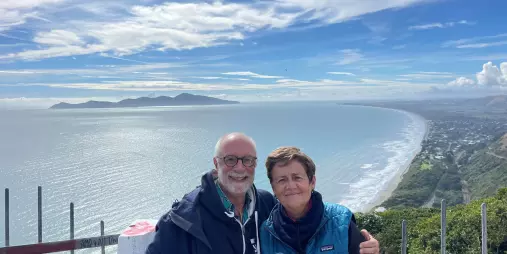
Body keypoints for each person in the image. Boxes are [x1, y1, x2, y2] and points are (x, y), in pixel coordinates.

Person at [146, 133, 379, 254]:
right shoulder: (182, 221)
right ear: (216, 164)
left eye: (247, 160)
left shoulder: (265, 207)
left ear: (312, 182)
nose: (239, 168)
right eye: (230, 160)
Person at [260, 146, 374, 254]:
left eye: (297, 178)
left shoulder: (341, 221)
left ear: (312, 182)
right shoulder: (266, 233)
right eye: (281, 180)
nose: (290, 186)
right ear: (273, 188)